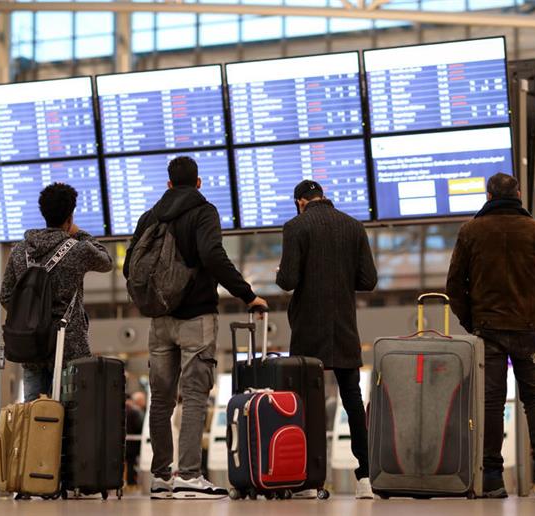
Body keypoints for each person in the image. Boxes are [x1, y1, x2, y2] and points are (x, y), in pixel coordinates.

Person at [124, 156, 268, 500]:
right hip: (196, 319)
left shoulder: (150, 216)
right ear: (198, 182)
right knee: (193, 397)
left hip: (159, 320)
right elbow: (213, 255)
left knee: (160, 400)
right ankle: (188, 475)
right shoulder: (204, 212)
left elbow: (130, 264)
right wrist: (248, 295)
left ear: (169, 184)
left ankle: (160, 478)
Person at [446, 173, 535, 499]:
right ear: (519, 194)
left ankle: (494, 477)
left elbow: (454, 285)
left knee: (493, 403)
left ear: (488, 195)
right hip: (527, 328)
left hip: (489, 330)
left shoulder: (471, 231)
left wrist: (472, 323)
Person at [275, 180, 378, 499]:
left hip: (308, 328)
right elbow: (369, 280)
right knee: (352, 400)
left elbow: (287, 280)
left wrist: (284, 271)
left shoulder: (296, 226)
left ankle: (307, 479)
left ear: (300, 202)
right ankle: (365, 478)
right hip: (344, 327)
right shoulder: (353, 226)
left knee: (305, 404)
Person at [0, 182, 113, 401]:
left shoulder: (20, 251)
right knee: (73, 420)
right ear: (69, 218)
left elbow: (5, 296)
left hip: (30, 346)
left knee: (34, 419)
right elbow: (106, 261)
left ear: (43, 213)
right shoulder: (78, 250)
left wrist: (32, 314)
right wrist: (79, 233)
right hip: (69, 346)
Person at [125, 391, 146, 486]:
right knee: (131, 463)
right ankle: (131, 482)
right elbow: (139, 426)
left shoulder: (126, 411)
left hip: (127, 443)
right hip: (133, 444)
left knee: (130, 463)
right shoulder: (135, 412)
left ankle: (130, 482)